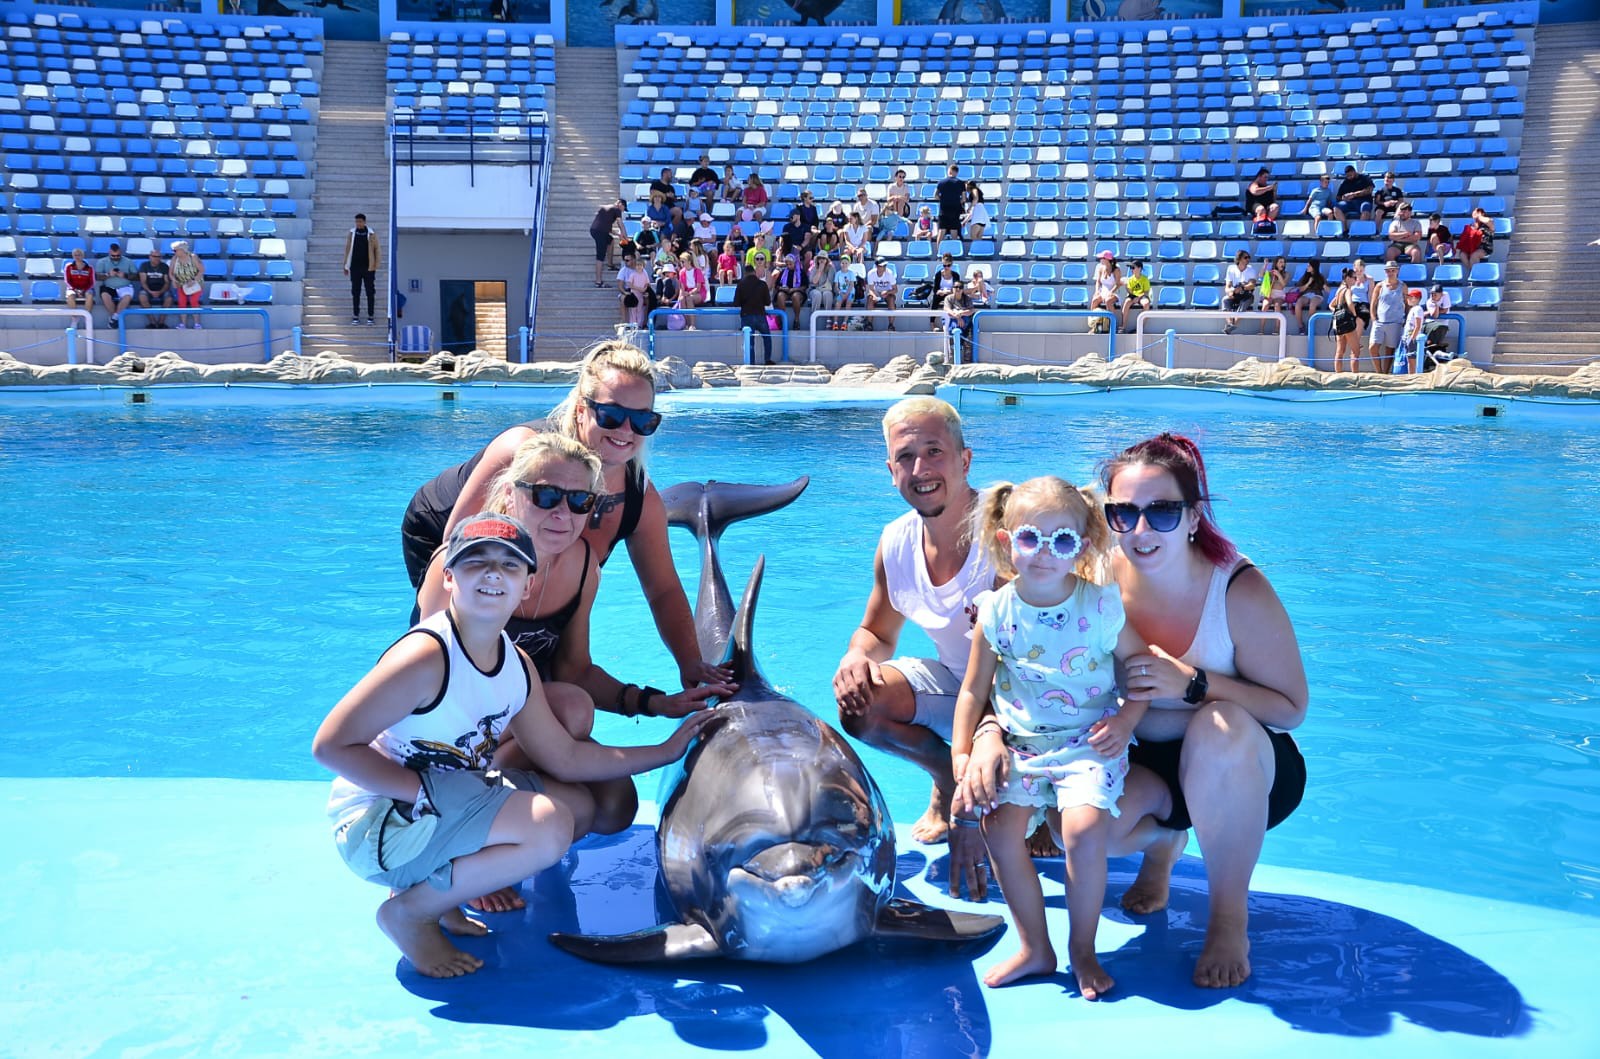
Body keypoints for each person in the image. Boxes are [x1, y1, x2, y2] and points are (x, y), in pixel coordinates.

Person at [314, 511, 714, 978]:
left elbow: (564, 756)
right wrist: (421, 793)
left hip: (439, 804)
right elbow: (330, 747)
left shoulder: (514, 663)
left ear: (527, 585)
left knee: (576, 806)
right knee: (548, 824)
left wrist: (666, 751)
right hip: (378, 827)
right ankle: (410, 911)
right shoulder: (426, 657)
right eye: (475, 562)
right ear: (448, 578)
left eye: (509, 565)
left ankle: (441, 894)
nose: (492, 574)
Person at [401, 341, 735, 697]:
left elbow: (663, 590)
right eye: (610, 415)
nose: (626, 430)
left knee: (551, 678)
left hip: (537, 566)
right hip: (441, 528)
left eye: (642, 421)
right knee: (473, 649)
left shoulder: (640, 500)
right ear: (580, 410)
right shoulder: (522, 452)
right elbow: (454, 548)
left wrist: (690, 663)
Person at [1102, 434, 1308, 989]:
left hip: (1245, 766)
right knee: (1087, 829)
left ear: (1193, 518)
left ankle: (1228, 917)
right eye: (1123, 513)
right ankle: (1165, 844)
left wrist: (1193, 683)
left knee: (1217, 728)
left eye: (1162, 512)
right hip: (1152, 761)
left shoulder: (1237, 588)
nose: (1141, 530)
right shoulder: (1096, 580)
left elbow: (1291, 709)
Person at [951, 477, 1146, 996]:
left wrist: (1126, 722)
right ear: (1006, 541)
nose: (1043, 553)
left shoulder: (1100, 607)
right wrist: (962, 755)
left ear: (1080, 548)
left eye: (1060, 541)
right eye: (1029, 538)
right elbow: (972, 691)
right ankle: (1035, 947)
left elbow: (1141, 672)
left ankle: (1083, 950)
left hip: (1087, 741)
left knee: (1081, 832)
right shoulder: (996, 611)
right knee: (998, 829)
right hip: (1021, 745)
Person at [833, 398, 997, 900]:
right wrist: (855, 657)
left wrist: (971, 814)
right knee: (861, 704)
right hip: (960, 687)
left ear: (965, 459)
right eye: (906, 457)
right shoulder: (895, 543)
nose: (921, 469)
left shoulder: (1008, 530)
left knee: (1034, 831)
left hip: (1033, 701)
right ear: (891, 471)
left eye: (934, 452)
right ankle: (947, 775)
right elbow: (877, 633)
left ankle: (1027, 801)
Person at [1368, 261, 1407, 375]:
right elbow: (1373, 303)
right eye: (1388, 271)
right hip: (1380, 322)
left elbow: (1407, 303)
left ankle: (1385, 373)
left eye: (1393, 270)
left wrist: (1406, 319)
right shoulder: (1380, 286)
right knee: (1373, 347)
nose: (1390, 273)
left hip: (1395, 322)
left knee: (1390, 349)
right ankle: (1379, 371)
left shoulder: (1403, 286)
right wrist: (1373, 318)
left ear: (1397, 271)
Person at [734, 259, 774, 364]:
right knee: (767, 338)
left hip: (746, 316)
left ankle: (751, 363)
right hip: (760, 315)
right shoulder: (762, 284)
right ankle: (767, 359)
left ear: (745, 273)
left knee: (749, 341)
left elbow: (736, 303)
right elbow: (768, 302)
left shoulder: (741, 285)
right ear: (754, 272)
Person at [343, 213, 381, 326]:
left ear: (364, 222)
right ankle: (356, 316)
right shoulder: (352, 233)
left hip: (368, 268)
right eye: (356, 222)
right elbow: (347, 249)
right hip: (355, 268)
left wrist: (376, 265)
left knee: (370, 292)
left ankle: (371, 316)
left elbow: (377, 250)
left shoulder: (371, 234)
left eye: (360, 221)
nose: (358, 224)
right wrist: (345, 265)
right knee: (356, 292)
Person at [95, 243, 135, 326]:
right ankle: (116, 319)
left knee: (127, 296)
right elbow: (97, 276)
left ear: (121, 253)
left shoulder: (128, 261)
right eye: (113, 256)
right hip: (108, 286)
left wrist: (125, 275)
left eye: (118, 255)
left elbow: (136, 276)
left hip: (124, 286)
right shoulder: (102, 261)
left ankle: (114, 318)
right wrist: (108, 275)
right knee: (105, 295)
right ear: (109, 253)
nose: (116, 257)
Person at [169, 240, 205, 329]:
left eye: (175, 250)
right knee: (181, 303)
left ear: (182, 250)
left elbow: (201, 271)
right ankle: (183, 324)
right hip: (181, 284)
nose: (174, 252)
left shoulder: (193, 257)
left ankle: (197, 323)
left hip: (195, 284)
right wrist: (173, 280)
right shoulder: (174, 259)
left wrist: (193, 280)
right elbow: (171, 273)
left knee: (193, 301)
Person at [590, 199, 626, 287]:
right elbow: (620, 224)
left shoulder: (605, 208)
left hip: (595, 230)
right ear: (620, 204)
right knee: (600, 256)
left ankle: (610, 264)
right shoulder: (616, 209)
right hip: (600, 233)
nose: (623, 211)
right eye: (623, 208)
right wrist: (625, 236)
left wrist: (618, 234)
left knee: (610, 240)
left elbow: (605, 227)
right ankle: (598, 282)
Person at [1221, 250, 1257, 335]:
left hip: (1247, 294)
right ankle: (1230, 323)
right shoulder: (1231, 269)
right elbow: (1227, 286)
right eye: (1245, 257)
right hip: (1235, 294)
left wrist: (1242, 288)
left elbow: (1252, 285)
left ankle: (1232, 325)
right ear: (1239, 259)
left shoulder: (1251, 270)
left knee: (1244, 303)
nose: (1248, 259)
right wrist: (1230, 292)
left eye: (1249, 257)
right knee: (1225, 300)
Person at [1393, 288, 1427, 374]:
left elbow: (1417, 325)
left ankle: (1413, 376)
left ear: (1416, 298)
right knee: (1409, 360)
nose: (1408, 299)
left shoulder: (1418, 309)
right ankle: (1410, 375)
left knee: (1412, 361)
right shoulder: (1413, 309)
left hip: (1412, 339)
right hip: (1408, 338)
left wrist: (1412, 338)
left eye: (1410, 297)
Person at [137, 248, 172, 328]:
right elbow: (143, 282)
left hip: (161, 288)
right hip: (148, 288)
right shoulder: (144, 265)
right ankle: (152, 322)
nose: (157, 258)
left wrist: (160, 291)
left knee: (169, 299)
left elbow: (167, 282)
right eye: (154, 256)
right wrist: (150, 291)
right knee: (142, 297)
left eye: (159, 257)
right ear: (150, 257)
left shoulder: (164, 266)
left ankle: (161, 323)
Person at [772, 252, 808, 330]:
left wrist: (795, 289)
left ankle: (796, 320)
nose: (789, 266)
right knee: (780, 295)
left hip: (797, 291)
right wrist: (782, 288)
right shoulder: (783, 272)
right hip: (785, 291)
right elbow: (777, 286)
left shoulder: (801, 272)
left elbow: (805, 286)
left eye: (790, 264)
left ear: (794, 263)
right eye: (787, 264)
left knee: (795, 296)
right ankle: (782, 319)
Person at [1333, 165, 1375, 231]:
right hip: (1349, 203)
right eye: (1347, 176)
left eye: (1350, 175)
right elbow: (1338, 197)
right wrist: (1343, 198)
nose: (1349, 177)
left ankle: (1360, 231)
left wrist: (1354, 194)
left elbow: (1369, 190)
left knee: (1366, 206)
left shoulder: (1364, 178)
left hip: (1363, 201)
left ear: (1354, 171)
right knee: (1336, 208)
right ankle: (1345, 230)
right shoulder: (1345, 182)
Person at [1290, 260, 1326, 335]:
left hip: (1317, 295)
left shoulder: (1321, 277)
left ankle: (1311, 326)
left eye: (1309, 266)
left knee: (1312, 305)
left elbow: (1327, 289)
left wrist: (1324, 285)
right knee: (1298, 304)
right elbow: (1300, 290)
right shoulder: (1305, 276)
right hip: (1305, 295)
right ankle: (1301, 326)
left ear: (1314, 267)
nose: (1307, 267)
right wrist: (1308, 283)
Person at [616, 252, 649, 327]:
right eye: (624, 260)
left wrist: (645, 290)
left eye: (627, 260)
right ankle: (625, 322)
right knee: (624, 299)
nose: (625, 262)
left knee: (647, 299)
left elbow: (647, 283)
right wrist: (625, 292)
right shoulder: (623, 270)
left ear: (633, 260)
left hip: (641, 291)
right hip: (629, 291)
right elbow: (620, 285)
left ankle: (644, 322)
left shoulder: (643, 271)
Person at [1089, 250, 1122, 327]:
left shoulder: (1116, 270)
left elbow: (1118, 284)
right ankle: (1094, 324)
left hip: (1114, 292)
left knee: (1108, 301)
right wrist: (1097, 291)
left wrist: (1111, 292)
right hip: (1103, 292)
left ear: (1107, 259)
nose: (1100, 259)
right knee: (1094, 300)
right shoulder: (1100, 268)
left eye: (1102, 258)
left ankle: (1112, 325)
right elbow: (1098, 282)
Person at [935, 165, 966, 242]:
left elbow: (935, 195)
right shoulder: (961, 183)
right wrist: (956, 201)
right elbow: (964, 198)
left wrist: (943, 200)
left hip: (943, 209)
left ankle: (939, 249)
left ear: (950, 171)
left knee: (941, 231)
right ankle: (955, 248)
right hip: (955, 209)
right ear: (957, 172)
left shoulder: (941, 182)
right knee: (954, 230)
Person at [865, 258, 898, 327]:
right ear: (877, 266)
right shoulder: (871, 273)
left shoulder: (889, 273)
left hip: (888, 294)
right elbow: (871, 289)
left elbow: (895, 290)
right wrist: (874, 296)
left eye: (885, 265)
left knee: (891, 299)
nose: (884, 267)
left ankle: (891, 325)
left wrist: (887, 292)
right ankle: (869, 324)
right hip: (876, 293)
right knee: (870, 298)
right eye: (882, 266)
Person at [63, 247, 95, 312]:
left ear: (83, 256)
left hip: (86, 289)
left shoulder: (89, 268)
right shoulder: (68, 267)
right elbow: (67, 281)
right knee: (70, 296)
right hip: (72, 288)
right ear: (73, 256)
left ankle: (87, 315)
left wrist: (84, 290)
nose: (77, 257)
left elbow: (92, 282)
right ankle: (74, 316)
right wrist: (75, 289)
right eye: (75, 255)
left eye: (79, 255)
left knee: (90, 295)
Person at [1122, 260, 1151, 332]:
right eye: (1131, 268)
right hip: (1133, 295)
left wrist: (1138, 297)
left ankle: (1140, 328)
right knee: (1127, 302)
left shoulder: (1145, 279)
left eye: (1133, 268)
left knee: (1146, 304)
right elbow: (1130, 292)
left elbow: (1146, 292)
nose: (1131, 270)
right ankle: (1123, 326)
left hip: (1142, 295)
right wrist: (1126, 287)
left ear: (1139, 268)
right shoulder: (1130, 279)